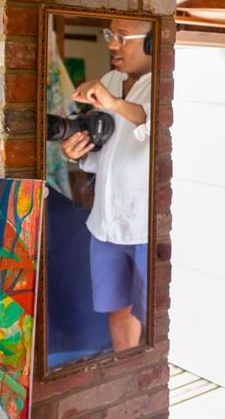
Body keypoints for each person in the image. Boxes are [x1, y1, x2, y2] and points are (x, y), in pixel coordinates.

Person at [61, 18, 153, 351]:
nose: (112, 44)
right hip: (105, 224)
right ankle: (126, 383)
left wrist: (113, 103)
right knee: (117, 311)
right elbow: (108, 151)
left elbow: (153, 121)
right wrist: (79, 154)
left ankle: (149, 388)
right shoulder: (112, 80)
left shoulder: (170, 83)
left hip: (146, 229)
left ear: (153, 41)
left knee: (153, 320)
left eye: (122, 37)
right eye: (110, 36)